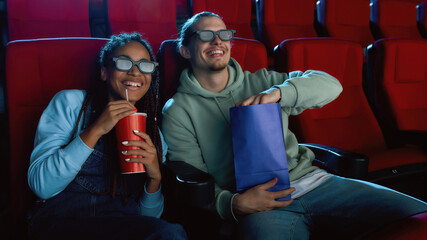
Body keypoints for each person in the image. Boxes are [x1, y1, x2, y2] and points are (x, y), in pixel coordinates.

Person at [161, 12, 427, 239]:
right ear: (185, 50)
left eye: (224, 34)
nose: (217, 41)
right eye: (205, 36)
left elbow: (331, 85)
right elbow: (192, 178)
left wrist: (279, 94)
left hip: (316, 183)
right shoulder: (178, 110)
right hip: (259, 203)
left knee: (419, 219)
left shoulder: (264, 81)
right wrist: (233, 204)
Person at [27, 32, 188, 240]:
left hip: (120, 225)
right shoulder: (71, 104)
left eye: (145, 65)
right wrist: (95, 130)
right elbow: (42, 187)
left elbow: (149, 219)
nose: (135, 72)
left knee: (170, 233)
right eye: (124, 62)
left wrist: (155, 178)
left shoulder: (153, 134)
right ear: (104, 72)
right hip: (62, 221)